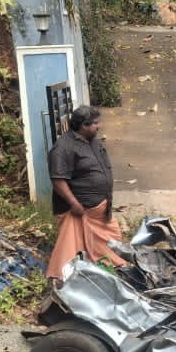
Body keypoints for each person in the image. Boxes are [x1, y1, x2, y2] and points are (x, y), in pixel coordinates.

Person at [46, 106, 126, 279]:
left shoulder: (91, 141)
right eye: (96, 123)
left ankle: (105, 274)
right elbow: (58, 180)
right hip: (78, 212)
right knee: (69, 256)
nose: (99, 126)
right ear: (83, 125)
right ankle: (66, 282)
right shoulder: (63, 147)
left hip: (100, 211)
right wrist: (74, 203)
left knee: (111, 248)